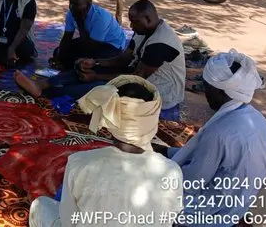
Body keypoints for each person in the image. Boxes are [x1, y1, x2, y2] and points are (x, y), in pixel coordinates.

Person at [29, 76, 183, 227]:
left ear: (109, 117)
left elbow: (69, 221)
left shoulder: (80, 162)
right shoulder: (172, 171)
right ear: (152, 118)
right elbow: (170, 218)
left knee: (40, 205)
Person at [156, 50, 266, 224]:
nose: (204, 93)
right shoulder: (259, 120)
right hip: (240, 202)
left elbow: (191, 182)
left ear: (221, 92)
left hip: (212, 211)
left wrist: (157, 165)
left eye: (207, 87)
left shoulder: (218, 133)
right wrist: (167, 152)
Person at [16, 0, 185, 120]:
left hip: (158, 93)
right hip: (136, 76)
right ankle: (42, 85)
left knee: (99, 88)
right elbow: (123, 58)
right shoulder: (145, 30)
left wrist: (96, 77)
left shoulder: (161, 43)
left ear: (147, 19)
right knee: (85, 68)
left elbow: (137, 78)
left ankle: (47, 93)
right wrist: (95, 63)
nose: (131, 27)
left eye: (134, 23)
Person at [51, 0, 127, 70]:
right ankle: (70, 65)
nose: (71, 7)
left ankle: (72, 66)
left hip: (112, 45)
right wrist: (60, 56)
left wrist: (80, 22)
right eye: (71, 3)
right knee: (58, 51)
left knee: (89, 62)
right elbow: (67, 37)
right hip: (89, 40)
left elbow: (91, 48)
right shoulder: (72, 12)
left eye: (76, 4)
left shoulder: (100, 18)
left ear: (88, 5)